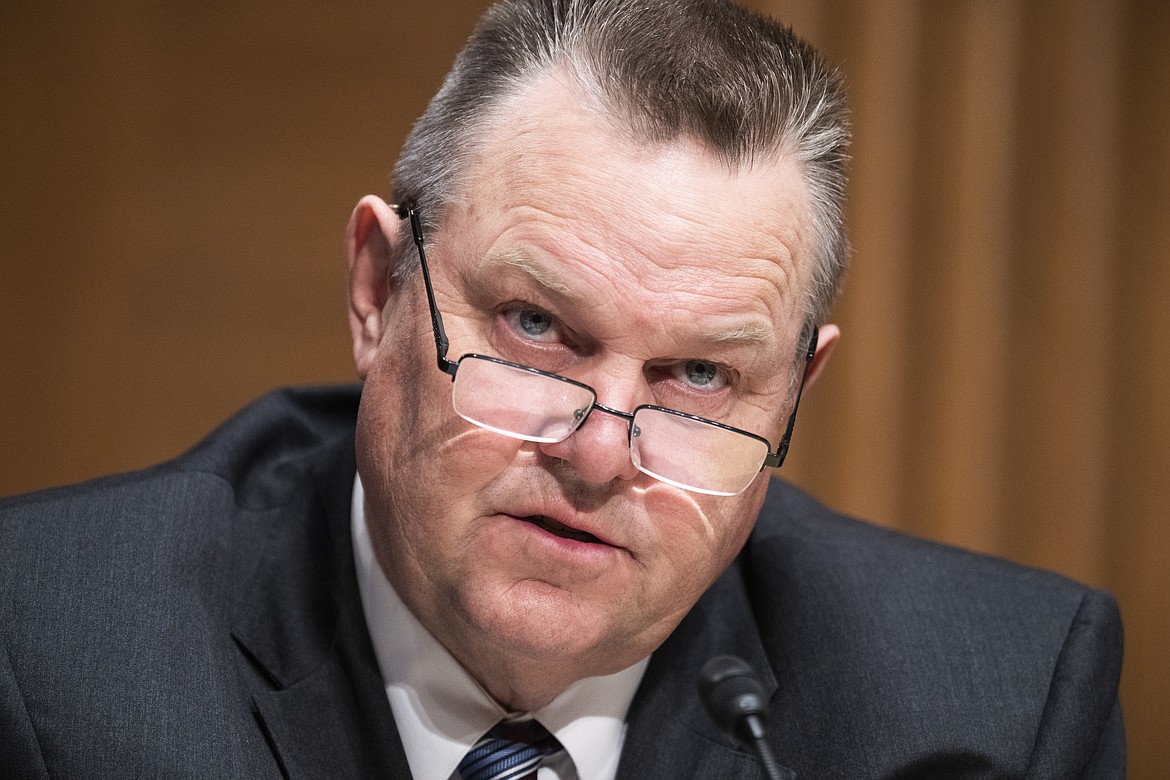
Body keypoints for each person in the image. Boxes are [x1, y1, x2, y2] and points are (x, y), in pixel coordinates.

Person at [0, 0, 1123, 777]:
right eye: (537, 328)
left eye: (699, 375)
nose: (598, 453)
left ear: (795, 395)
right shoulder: (50, 649)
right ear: (378, 289)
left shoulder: (992, 712)